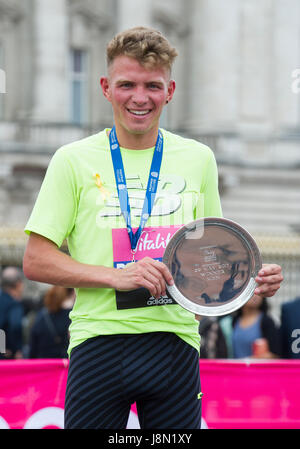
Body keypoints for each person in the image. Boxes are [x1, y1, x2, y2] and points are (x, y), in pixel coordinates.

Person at [23, 27, 283, 429]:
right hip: (98, 341)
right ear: (106, 87)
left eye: (152, 86)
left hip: (175, 343)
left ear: (171, 89)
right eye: (127, 84)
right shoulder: (71, 160)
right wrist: (117, 277)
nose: (140, 97)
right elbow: (36, 261)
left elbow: (214, 252)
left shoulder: (199, 158)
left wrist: (250, 279)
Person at [219, 294, 282, 359]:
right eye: (251, 293)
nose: (255, 296)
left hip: (256, 368)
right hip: (235, 368)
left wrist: (248, 360)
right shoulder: (232, 322)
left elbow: (275, 354)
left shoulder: (267, 322)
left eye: (258, 293)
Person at [28, 286, 75, 358]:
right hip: (65, 364)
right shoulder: (72, 316)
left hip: (43, 363)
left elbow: (33, 348)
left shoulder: (41, 316)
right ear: (71, 294)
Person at [0, 267, 25, 359]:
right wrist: (17, 349)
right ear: (18, 284)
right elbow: (16, 326)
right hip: (8, 355)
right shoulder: (14, 304)